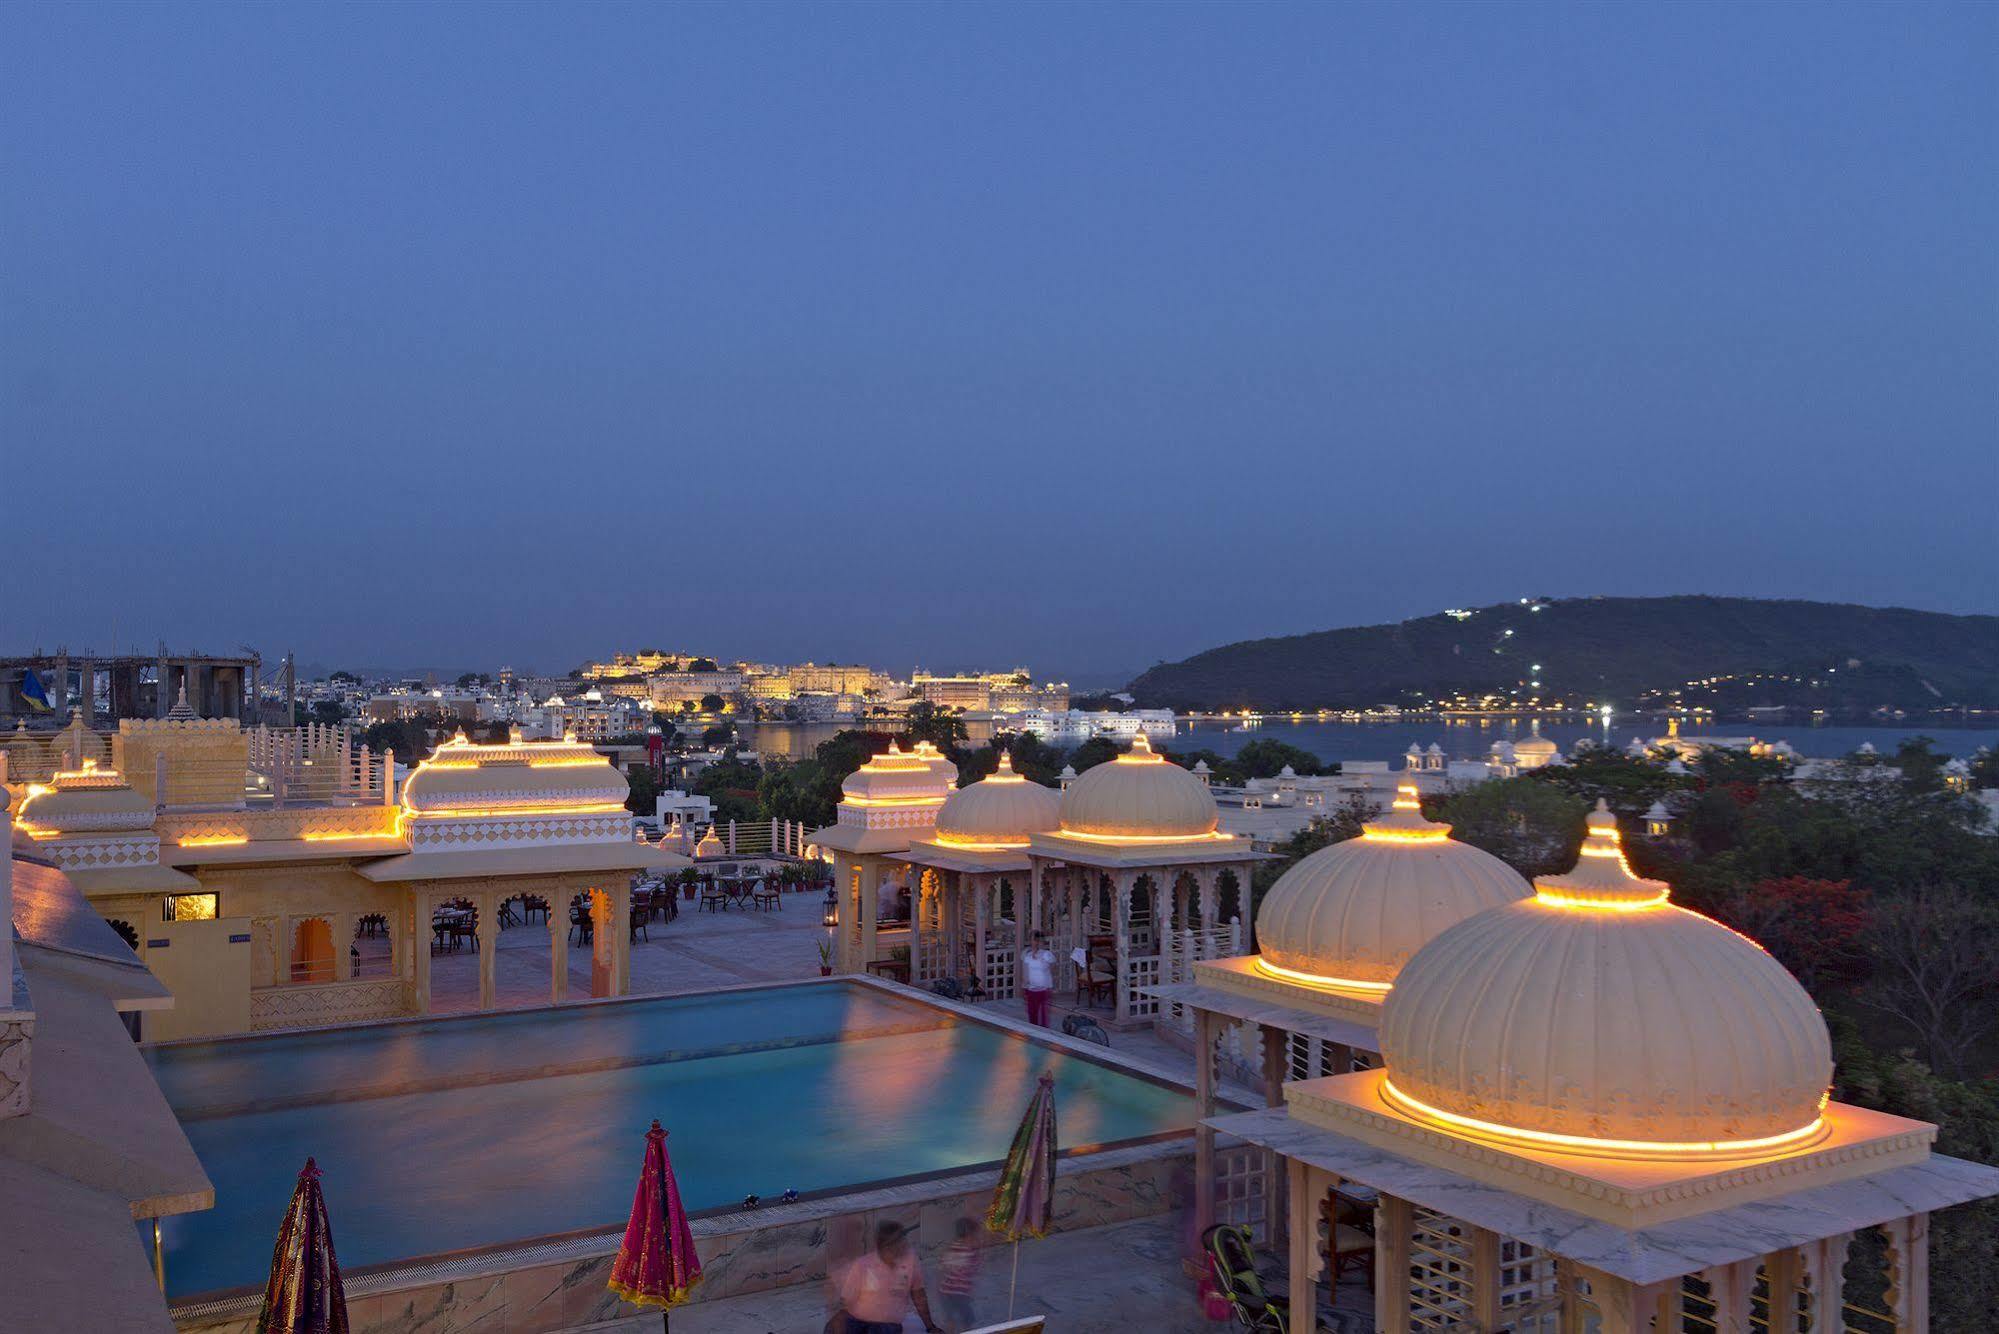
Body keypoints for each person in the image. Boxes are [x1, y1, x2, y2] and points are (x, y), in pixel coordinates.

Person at [834, 1220, 941, 1334]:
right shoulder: (863, 1264)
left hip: (886, 1325)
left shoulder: (910, 1260)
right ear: (885, 1246)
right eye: (898, 1240)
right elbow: (846, 1301)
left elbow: (919, 1295)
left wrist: (930, 1327)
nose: (903, 1243)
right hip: (857, 1321)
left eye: (903, 1238)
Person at [935, 1216, 982, 1332]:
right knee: (967, 1321)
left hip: (944, 1292)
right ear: (970, 1235)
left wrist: (938, 1288)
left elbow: (941, 1268)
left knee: (950, 1320)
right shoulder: (972, 1251)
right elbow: (975, 1269)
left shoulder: (951, 1247)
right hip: (960, 1294)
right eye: (975, 1235)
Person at [1020, 931, 1056, 1027]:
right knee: (1032, 1014)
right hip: (1031, 989)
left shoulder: (1047, 955)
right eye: (1032, 940)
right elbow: (1025, 973)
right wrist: (1024, 988)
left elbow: (1052, 968)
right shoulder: (1027, 955)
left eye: (1035, 940)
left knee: (1044, 1016)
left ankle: (1044, 1035)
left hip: (1044, 989)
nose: (1033, 942)